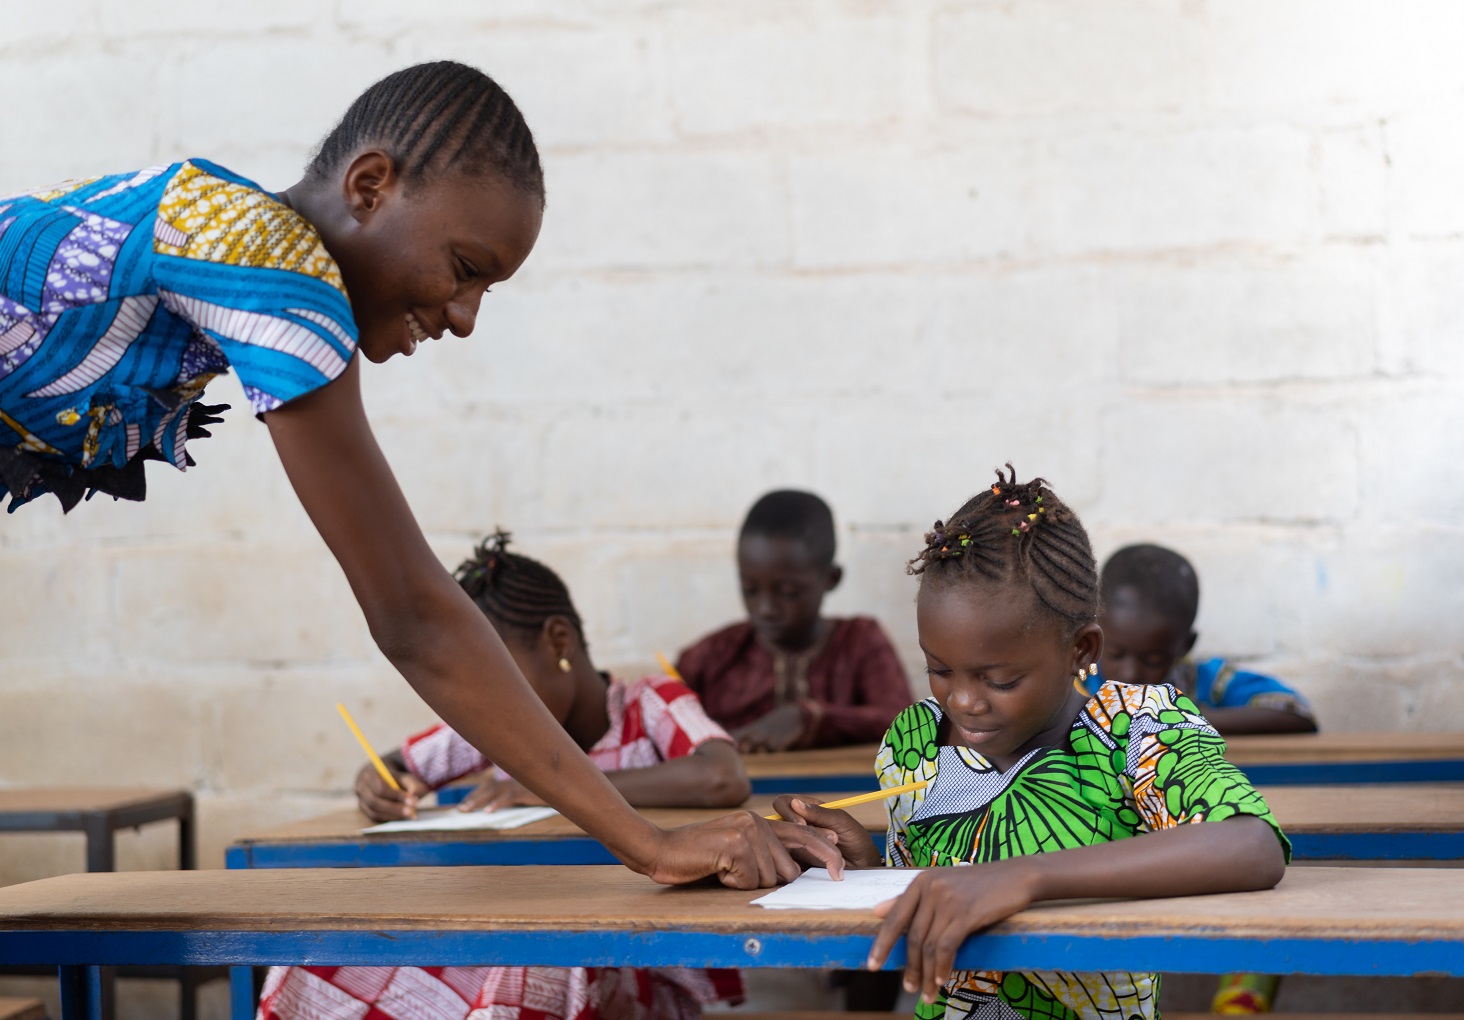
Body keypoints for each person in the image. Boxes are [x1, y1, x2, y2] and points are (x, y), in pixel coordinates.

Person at [0, 61, 834, 888]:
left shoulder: (226, 228)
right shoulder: (266, 265)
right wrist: (646, 845)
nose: (466, 318)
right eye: (466, 268)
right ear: (370, 186)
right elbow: (413, 615)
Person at [774, 467, 1289, 1020]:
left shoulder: (1134, 730)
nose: (965, 701)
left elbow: (1252, 845)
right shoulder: (915, 742)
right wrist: (864, 869)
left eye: (1000, 680)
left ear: (1080, 649)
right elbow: (928, 896)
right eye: (940, 669)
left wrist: (1026, 877)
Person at [262, 531, 748, 1020]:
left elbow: (721, 776)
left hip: (641, 958)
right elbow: (394, 765)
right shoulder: (492, 724)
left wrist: (545, 789)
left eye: (498, 674)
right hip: (525, 931)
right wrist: (379, 784)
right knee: (311, 963)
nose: (485, 696)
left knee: (541, 964)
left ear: (558, 640)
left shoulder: (647, 702)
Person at [676, 490, 911, 752]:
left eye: (788, 592)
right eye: (749, 589)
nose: (765, 609)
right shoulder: (713, 656)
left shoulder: (859, 640)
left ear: (831, 579)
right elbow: (667, 727)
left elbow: (905, 724)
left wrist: (810, 717)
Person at [1092, 544, 1318, 735]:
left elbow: (1296, 713)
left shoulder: (1206, 684)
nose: (1130, 674)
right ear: (1094, 634)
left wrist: (1178, 721)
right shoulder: (1074, 685)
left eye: (1153, 659)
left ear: (1185, 646)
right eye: (1115, 654)